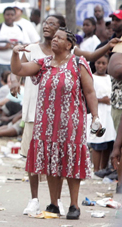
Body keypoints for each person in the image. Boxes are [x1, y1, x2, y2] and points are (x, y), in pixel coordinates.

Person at [17, 14, 118, 216]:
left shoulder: (77, 62)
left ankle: (74, 205)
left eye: (58, 36)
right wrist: (14, 55)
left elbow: (89, 91)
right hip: (45, 120)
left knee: (70, 161)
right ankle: (52, 202)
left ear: (69, 43)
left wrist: (95, 117)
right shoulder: (42, 61)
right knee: (50, 160)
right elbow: (19, 69)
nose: (53, 37)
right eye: (53, 36)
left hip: (72, 121)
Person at [0, 7, 30, 94]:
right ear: (4, 16)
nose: (10, 17)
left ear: (15, 16)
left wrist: (18, 47)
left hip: (16, 65)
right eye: (7, 15)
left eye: (12, 15)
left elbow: (27, 44)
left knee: (16, 88)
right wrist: (4, 47)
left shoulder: (20, 28)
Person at [88, 55, 116, 172]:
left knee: (108, 142)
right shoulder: (91, 78)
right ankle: (96, 169)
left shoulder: (110, 78)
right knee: (97, 142)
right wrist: (101, 100)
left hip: (109, 113)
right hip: (97, 112)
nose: (100, 66)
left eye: (103, 63)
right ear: (94, 63)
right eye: (98, 63)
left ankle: (103, 170)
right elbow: (88, 94)